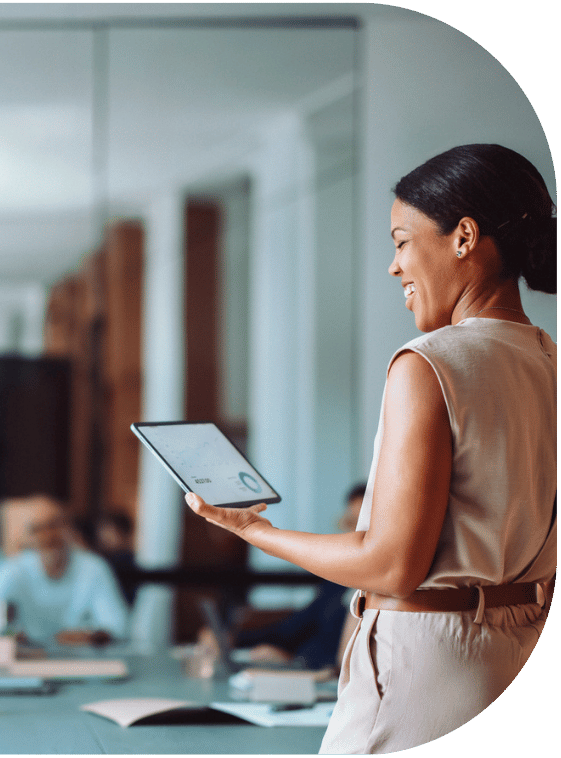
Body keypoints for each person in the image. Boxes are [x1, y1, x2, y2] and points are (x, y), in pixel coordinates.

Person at [185, 144, 556, 754]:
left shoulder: (430, 364)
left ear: (464, 237)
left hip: (426, 669)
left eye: (402, 240)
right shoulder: (547, 360)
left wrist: (250, 529)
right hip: (520, 655)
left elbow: (390, 566)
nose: (394, 265)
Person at [229, 483, 367, 671]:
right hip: (307, 675)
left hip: (328, 681)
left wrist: (294, 660)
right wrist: (232, 638)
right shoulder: (338, 581)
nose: (356, 535)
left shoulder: (382, 588)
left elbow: (346, 662)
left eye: (365, 526)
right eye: (352, 524)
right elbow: (295, 627)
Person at [0, 495, 129, 646]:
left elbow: (118, 626)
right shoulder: (11, 571)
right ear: (26, 537)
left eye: (53, 526)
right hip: (27, 664)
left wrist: (90, 636)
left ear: (69, 528)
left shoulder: (94, 568)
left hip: (85, 662)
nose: (47, 536)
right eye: (37, 529)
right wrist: (2, 630)